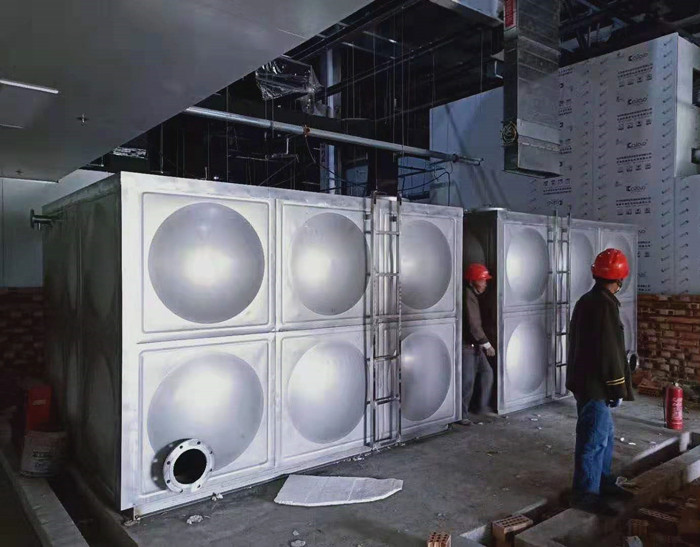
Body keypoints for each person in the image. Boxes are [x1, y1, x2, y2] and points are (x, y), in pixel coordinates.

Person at [566, 248, 635, 516]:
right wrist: (617, 386)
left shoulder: (589, 300)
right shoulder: (604, 306)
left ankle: (603, 482)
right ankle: (585, 494)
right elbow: (609, 351)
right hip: (596, 385)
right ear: (620, 278)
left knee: (604, 435)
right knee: (593, 440)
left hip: (587, 381)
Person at [460, 263, 496, 425]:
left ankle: (481, 407)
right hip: (467, 346)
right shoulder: (468, 296)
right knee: (467, 381)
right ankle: (461, 414)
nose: (485, 284)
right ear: (472, 281)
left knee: (487, 372)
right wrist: (487, 345)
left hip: (474, 346)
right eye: (482, 280)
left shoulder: (472, 295)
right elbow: (474, 325)